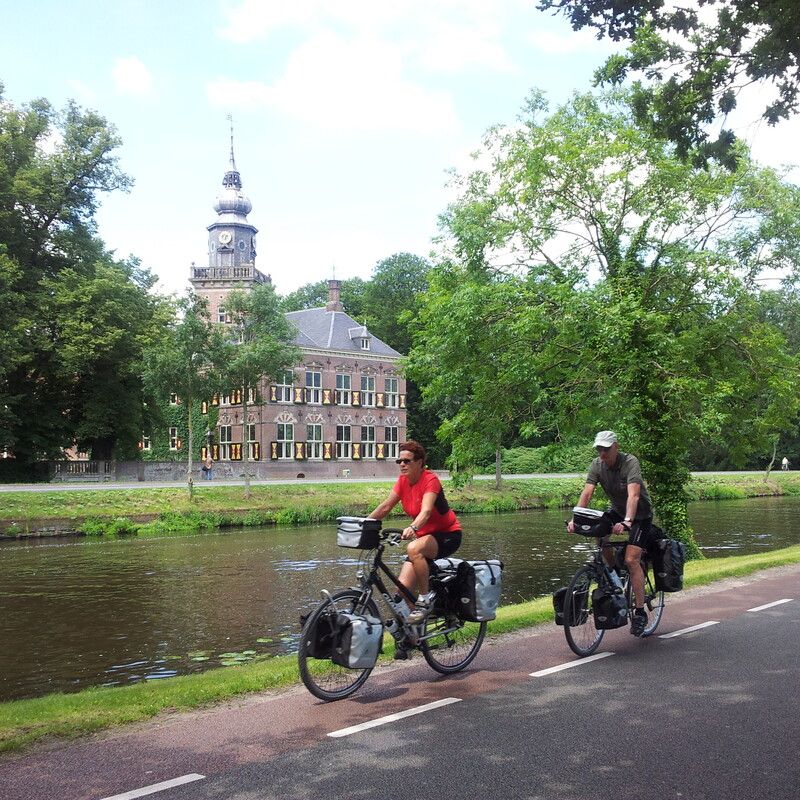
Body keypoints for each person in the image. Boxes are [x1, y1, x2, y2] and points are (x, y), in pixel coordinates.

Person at [367, 440, 462, 644]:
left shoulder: (430, 480)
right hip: (425, 538)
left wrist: (414, 528)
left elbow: (426, 511)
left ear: (420, 462)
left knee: (414, 548)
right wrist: (364, 524)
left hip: (448, 535)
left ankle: (426, 600)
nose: (402, 464)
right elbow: (385, 507)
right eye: (399, 460)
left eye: (407, 461)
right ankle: (415, 636)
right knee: (401, 592)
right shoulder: (403, 481)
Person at [567, 431, 659, 637]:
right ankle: (614, 575)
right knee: (599, 532)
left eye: (606, 449)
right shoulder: (597, 465)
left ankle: (639, 611)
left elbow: (634, 495)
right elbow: (587, 492)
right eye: (599, 449)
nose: (602, 453)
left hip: (640, 515)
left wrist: (627, 522)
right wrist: (576, 519)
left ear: (616, 447)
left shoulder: (630, 462)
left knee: (631, 559)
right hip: (617, 510)